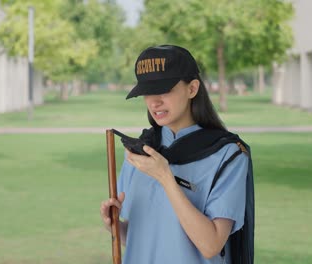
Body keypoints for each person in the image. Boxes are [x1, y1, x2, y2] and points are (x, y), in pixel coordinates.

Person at [100, 45, 252, 264]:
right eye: (147, 92)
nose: (154, 102)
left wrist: (165, 178)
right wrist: (114, 225)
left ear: (192, 89)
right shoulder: (139, 152)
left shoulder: (227, 155)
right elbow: (143, 238)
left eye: (164, 90)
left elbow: (210, 245)